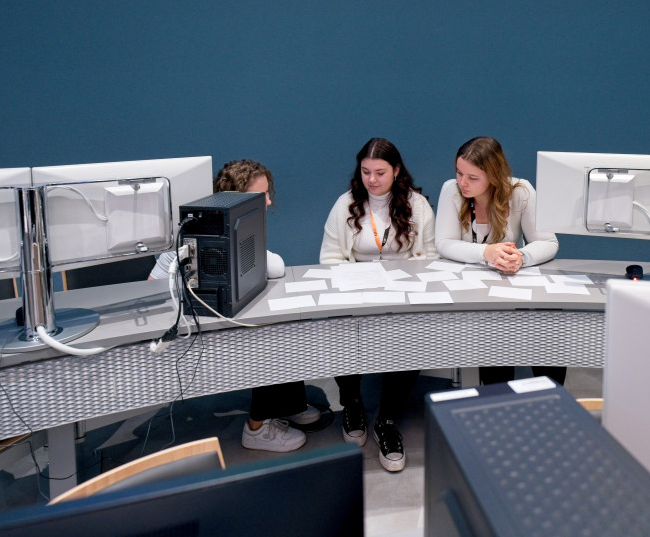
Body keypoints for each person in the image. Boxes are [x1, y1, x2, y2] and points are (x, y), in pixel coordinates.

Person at [150, 159, 319, 453]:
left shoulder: (241, 232)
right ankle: (257, 428)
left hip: (221, 316)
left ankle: (286, 407)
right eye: (262, 195)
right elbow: (152, 284)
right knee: (271, 336)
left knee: (284, 322)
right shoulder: (192, 238)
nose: (269, 201)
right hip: (199, 328)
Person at [320, 138, 437, 471]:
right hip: (356, 291)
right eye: (366, 171)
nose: (371, 180)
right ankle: (352, 404)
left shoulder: (417, 205)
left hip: (403, 294)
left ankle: (387, 419)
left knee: (410, 335)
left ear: (396, 170)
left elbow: (431, 257)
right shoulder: (345, 204)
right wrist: (358, 280)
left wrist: (402, 281)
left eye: (380, 172)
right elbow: (329, 257)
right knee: (339, 327)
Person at [434, 136, 563, 385]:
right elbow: (444, 243)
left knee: (548, 326)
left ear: (493, 176)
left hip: (510, 285)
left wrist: (521, 257)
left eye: (472, 178)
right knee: (493, 332)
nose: (462, 183)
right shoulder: (451, 190)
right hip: (469, 289)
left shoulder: (521, 191)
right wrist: (486, 253)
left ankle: (552, 397)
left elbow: (549, 242)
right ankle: (499, 398)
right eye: (459, 173)